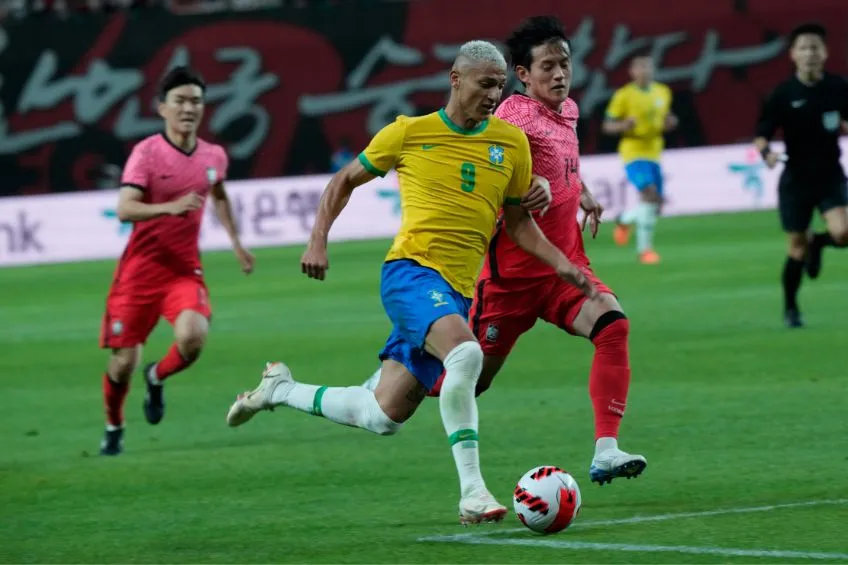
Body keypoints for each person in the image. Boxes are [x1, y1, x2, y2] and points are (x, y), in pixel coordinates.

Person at [225, 40, 596, 524]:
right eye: (485, 83)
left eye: (499, 85)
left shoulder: (511, 143)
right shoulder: (408, 133)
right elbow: (343, 181)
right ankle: (473, 492)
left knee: (380, 417)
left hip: (454, 294)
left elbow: (519, 225)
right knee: (466, 354)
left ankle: (279, 389)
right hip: (410, 273)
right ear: (455, 79)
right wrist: (317, 241)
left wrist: (562, 263)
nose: (493, 94)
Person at [365, 16, 647, 486]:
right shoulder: (513, 114)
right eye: (548, 66)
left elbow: (558, 164)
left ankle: (607, 450)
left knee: (613, 324)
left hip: (563, 271)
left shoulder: (569, 110)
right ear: (523, 74)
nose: (560, 75)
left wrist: (582, 190)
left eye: (565, 65)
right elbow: (486, 152)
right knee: (469, 381)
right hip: (509, 281)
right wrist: (526, 183)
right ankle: (388, 384)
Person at [99, 66, 255, 456]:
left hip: (183, 270)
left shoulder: (213, 155)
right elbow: (124, 209)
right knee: (121, 365)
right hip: (138, 272)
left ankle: (157, 375)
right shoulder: (147, 153)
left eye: (196, 101)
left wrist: (236, 243)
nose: (189, 108)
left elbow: (218, 194)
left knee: (193, 337)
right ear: (162, 108)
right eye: (180, 101)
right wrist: (170, 207)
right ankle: (114, 425)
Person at [754, 22, 848, 328]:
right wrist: (766, 152)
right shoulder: (783, 94)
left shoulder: (839, 87)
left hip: (830, 175)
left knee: (843, 233)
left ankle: (819, 243)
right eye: (804, 48)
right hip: (796, 180)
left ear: (825, 53)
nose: (810, 53)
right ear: (793, 55)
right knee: (796, 247)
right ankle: (791, 307)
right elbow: (762, 134)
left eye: (815, 47)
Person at [603, 51, 678, 264]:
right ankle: (645, 251)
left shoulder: (662, 92)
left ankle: (624, 220)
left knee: (656, 204)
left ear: (653, 70)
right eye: (640, 68)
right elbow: (607, 125)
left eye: (648, 67)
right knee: (650, 194)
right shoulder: (623, 95)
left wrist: (671, 121)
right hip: (633, 152)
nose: (644, 72)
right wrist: (623, 125)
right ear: (632, 72)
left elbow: (667, 117)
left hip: (654, 151)